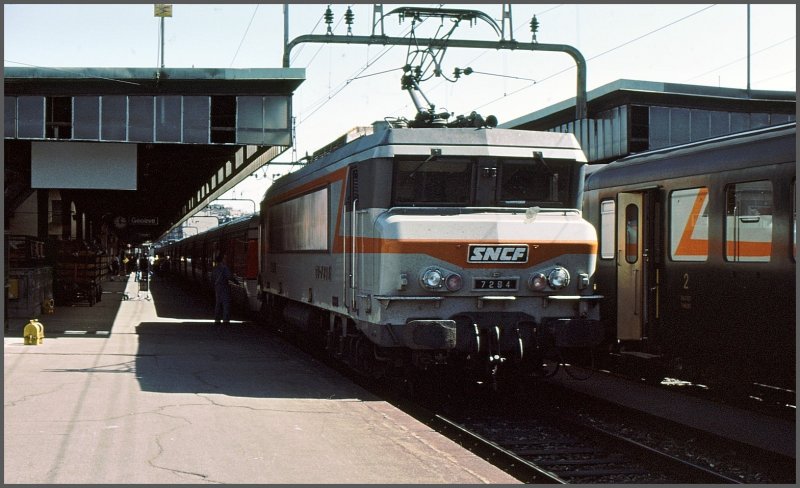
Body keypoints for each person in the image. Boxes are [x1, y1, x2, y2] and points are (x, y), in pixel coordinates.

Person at [211, 253, 235, 325]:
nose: (226, 260)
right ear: (222, 260)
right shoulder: (225, 268)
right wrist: (235, 281)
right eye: (224, 258)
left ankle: (217, 320)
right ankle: (225, 320)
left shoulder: (215, 268)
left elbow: (212, 278)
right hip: (224, 287)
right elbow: (229, 276)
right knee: (226, 304)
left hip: (217, 287)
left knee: (218, 304)